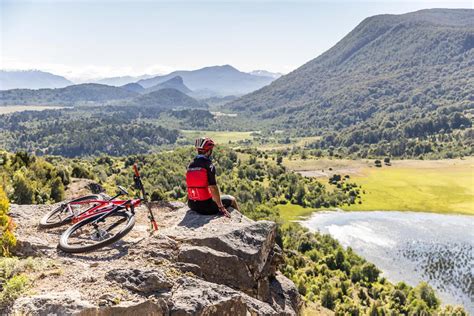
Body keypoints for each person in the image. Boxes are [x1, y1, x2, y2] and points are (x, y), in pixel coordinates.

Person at [186, 137, 239, 217]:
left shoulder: (191, 165)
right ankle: (239, 221)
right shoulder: (208, 165)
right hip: (206, 207)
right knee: (232, 199)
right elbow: (213, 187)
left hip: (191, 204)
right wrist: (221, 207)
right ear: (209, 151)